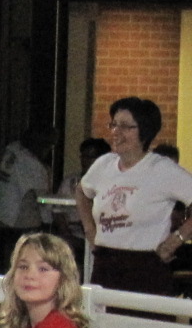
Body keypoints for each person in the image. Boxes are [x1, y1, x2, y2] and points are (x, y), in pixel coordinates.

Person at [76, 96, 192, 296]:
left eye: (125, 127)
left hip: (146, 268)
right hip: (105, 265)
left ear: (144, 132)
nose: (116, 132)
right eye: (114, 125)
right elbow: (81, 191)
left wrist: (177, 239)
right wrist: (89, 230)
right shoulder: (104, 164)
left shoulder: (161, 169)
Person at [0, 127, 54, 272]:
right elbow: (42, 198)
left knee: (8, 255)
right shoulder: (33, 164)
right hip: (19, 218)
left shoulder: (12, 152)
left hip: (2, 213)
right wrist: (49, 221)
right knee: (22, 256)